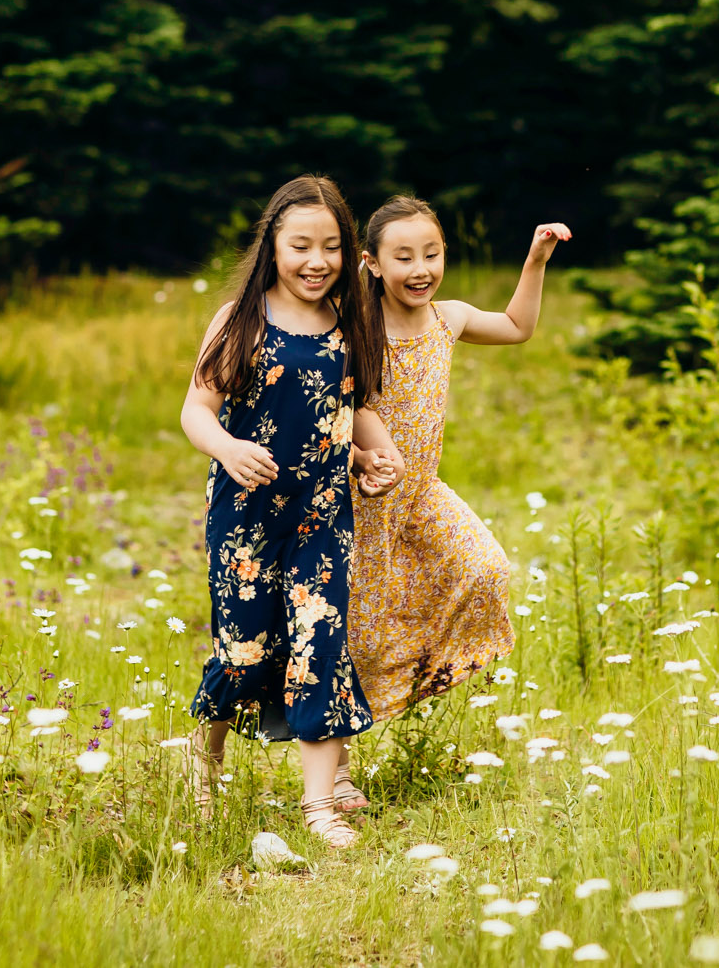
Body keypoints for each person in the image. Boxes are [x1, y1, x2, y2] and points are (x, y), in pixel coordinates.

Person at [180, 176, 405, 850]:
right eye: (300, 245)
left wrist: (374, 457)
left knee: (321, 643)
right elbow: (197, 408)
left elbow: (352, 405)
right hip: (246, 517)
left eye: (331, 246)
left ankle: (318, 805)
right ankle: (203, 764)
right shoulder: (239, 320)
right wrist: (227, 446)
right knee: (244, 649)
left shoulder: (351, 322)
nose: (316, 260)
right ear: (272, 245)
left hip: (321, 518)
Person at [348, 197, 570, 724]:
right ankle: (336, 770)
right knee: (360, 635)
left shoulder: (450, 317)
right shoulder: (357, 325)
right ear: (372, 263)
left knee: (486, 568)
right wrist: (365, 454)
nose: (421, 269)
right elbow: (346, 398)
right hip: (362, 502)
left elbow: (518, 326)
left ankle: (416, 682)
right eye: (403, 257)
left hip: (422, 494)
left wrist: (535, 261)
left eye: (432, 254)